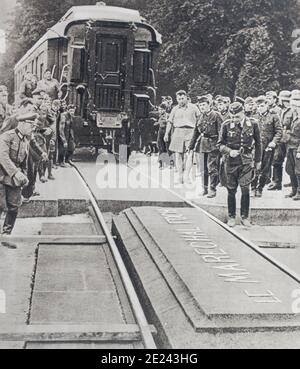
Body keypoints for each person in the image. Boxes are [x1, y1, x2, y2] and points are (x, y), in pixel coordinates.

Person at [217, 102, 261, 228]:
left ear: (243, 112)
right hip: (231, 162)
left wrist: (258, 161)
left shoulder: (253, 124)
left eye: (238, 117)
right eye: (233, 117)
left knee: (245, 189)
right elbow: (219, 144)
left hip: (246, 161)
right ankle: (231, 216)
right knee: (231, 190)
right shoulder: (226, 125)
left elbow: (258, 144)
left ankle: (245, 217)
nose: (235, 119)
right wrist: (229, 151)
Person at [0, 115, 38, 248]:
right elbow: (3, 157)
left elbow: (24, 162)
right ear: (21, 123)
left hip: (15, 180)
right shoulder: (7, 136)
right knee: (0, 206)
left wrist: (24, 178)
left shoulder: (25, 141)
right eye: (30, 125)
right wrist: (16, 173)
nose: (32, 128)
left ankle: (6, 236)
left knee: (14, 207)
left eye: (34, 126)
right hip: (2, 176)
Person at [189, 96, 223, 198]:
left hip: (213, 144)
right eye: (200, 105)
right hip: (202, 144)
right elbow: (196, 132)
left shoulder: (216, 115)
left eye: (204, 105)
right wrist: (191, 145)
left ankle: (212, 189)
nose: (202, 107)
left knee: (212, 168)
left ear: (209, 105)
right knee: (203, 169)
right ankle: (205, 189)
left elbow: (221, 132)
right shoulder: (200, 117)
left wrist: (220, 144)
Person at [164, 90, 200, 184]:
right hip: (178, 131)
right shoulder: (175, 109)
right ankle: (180, 176)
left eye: (183, 98)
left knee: (190, 154)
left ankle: (186, 176)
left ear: (186, 98)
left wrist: (199, 133)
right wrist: (166, 133)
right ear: (176, 99)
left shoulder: (193, 107)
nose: (181, 101)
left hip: (190, 131)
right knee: (178, 155)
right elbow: (170, 122)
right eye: (179, 99)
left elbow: (200, 119)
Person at [251, 96, 282, 197]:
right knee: (254, 167)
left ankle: (260, 188)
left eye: (262, 105)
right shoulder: (253, 117)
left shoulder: (274, 116)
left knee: (265, 168)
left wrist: (273, 142)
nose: (260, 108)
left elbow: (278, 131)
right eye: (258, 106)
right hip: (255, 147)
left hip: (268, 146)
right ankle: (253, 187)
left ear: (267, 106)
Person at [269, 90, 295, 191]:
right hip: (281, 139)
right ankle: (277, 182)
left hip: (289, 140)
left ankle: (294, 184)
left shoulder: (293, 111)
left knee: (291, 163)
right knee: (277, 160)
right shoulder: (281, 110)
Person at [285, 90, 300, 200]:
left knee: (298, 170)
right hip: (290, 146)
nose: (293, 108)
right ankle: (294, 190)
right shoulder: (294, 116)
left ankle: (299, 192)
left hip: (297, 147)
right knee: (290, 169)